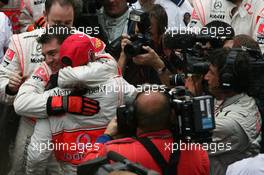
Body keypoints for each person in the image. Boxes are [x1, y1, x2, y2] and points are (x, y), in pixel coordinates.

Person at [14, 31, 137, 174]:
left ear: (65, 51)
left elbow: (37, 157)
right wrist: (64, 103)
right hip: (110, 169)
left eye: (53, 54)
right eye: (44, 55)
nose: (47, 60)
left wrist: (59, 102)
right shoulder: (118, 86)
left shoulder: (51, 97)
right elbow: (148, 107)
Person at [0, 0, 76, 174]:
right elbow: (1, 81)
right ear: (44, 17)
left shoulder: (86, 41)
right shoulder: (22, 41)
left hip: (69, 124)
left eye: (67, 24)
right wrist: (10, 88)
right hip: (30, 122)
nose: (61, 29)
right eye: (56, 23)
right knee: (22, 170)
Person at [86, 90, 210, 175]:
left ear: (132, 118)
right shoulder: (198, 153)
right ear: (173, 115)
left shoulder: (113, 152)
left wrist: (106, 136)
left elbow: (86, 166)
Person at [203, 48, 261, 175]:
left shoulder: (230, 124)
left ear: (226, 80)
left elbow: (187, 146)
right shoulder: (241, 98)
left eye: (211, 73)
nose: (205, 77)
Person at [189, 0, 264, 52]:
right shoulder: (203, 4)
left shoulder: (261, 7)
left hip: (243, 69)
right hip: (208, 67)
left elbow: (259, 53)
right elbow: (190, 41)